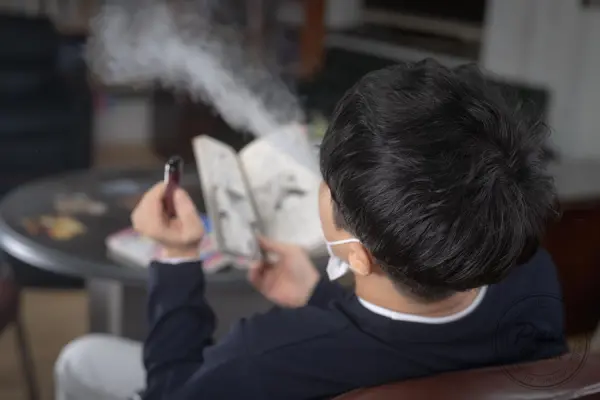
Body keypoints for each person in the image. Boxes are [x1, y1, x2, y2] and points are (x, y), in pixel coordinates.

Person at [54, 59, 566, 400]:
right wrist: (318, 295)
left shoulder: (264, 356)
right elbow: (411, 348)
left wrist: (175, 259)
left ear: (359, 256)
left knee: (81, 360)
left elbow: (171, 392)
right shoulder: (532, 277)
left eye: (328, 185)